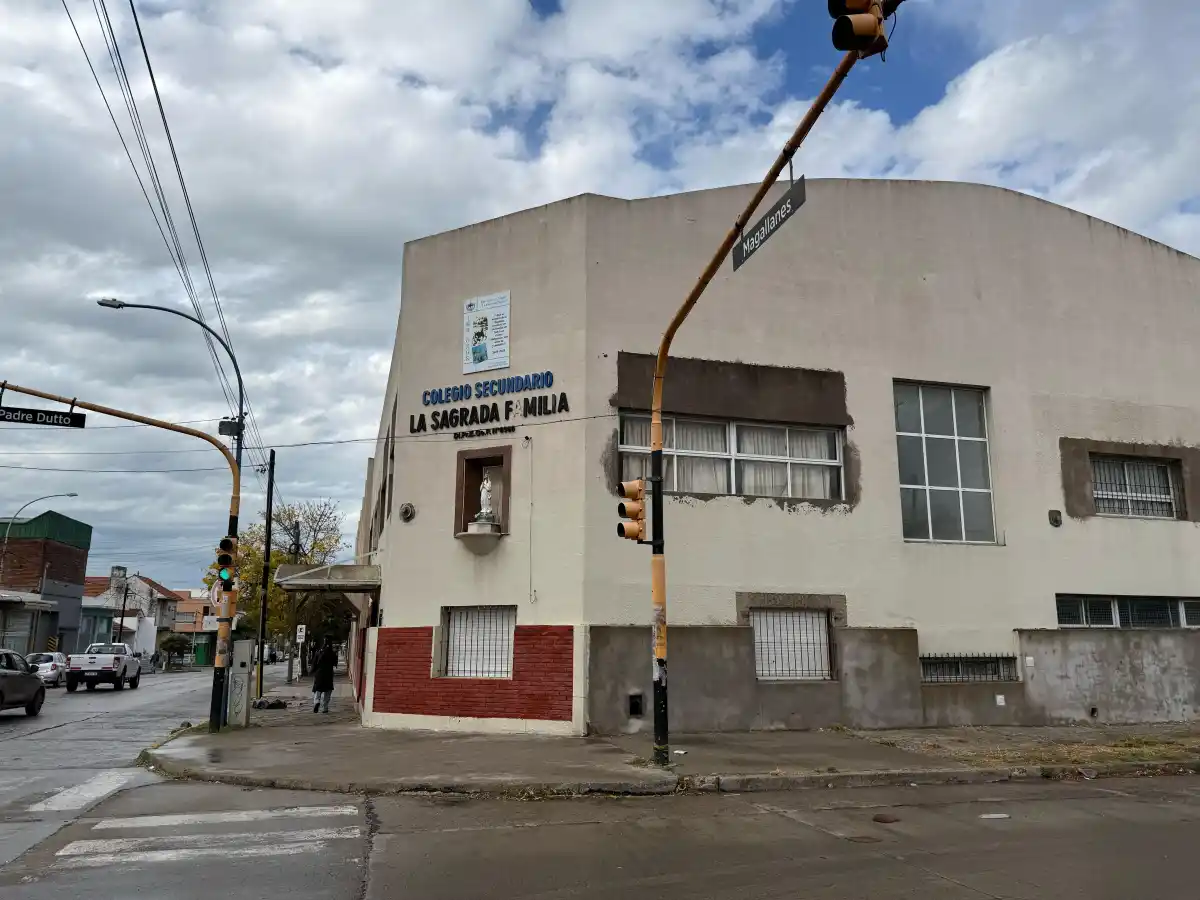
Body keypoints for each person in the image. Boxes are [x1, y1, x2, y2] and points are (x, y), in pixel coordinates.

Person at [312, 638, 338, 714]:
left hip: (319, 674)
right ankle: (325, 707)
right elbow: (335, 663)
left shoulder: (318, 652)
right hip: (329, 674)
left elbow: (314, 664)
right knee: (328, 691)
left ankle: (317, 701)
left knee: (318, 690)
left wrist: (312, 671)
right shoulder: (332, 653)